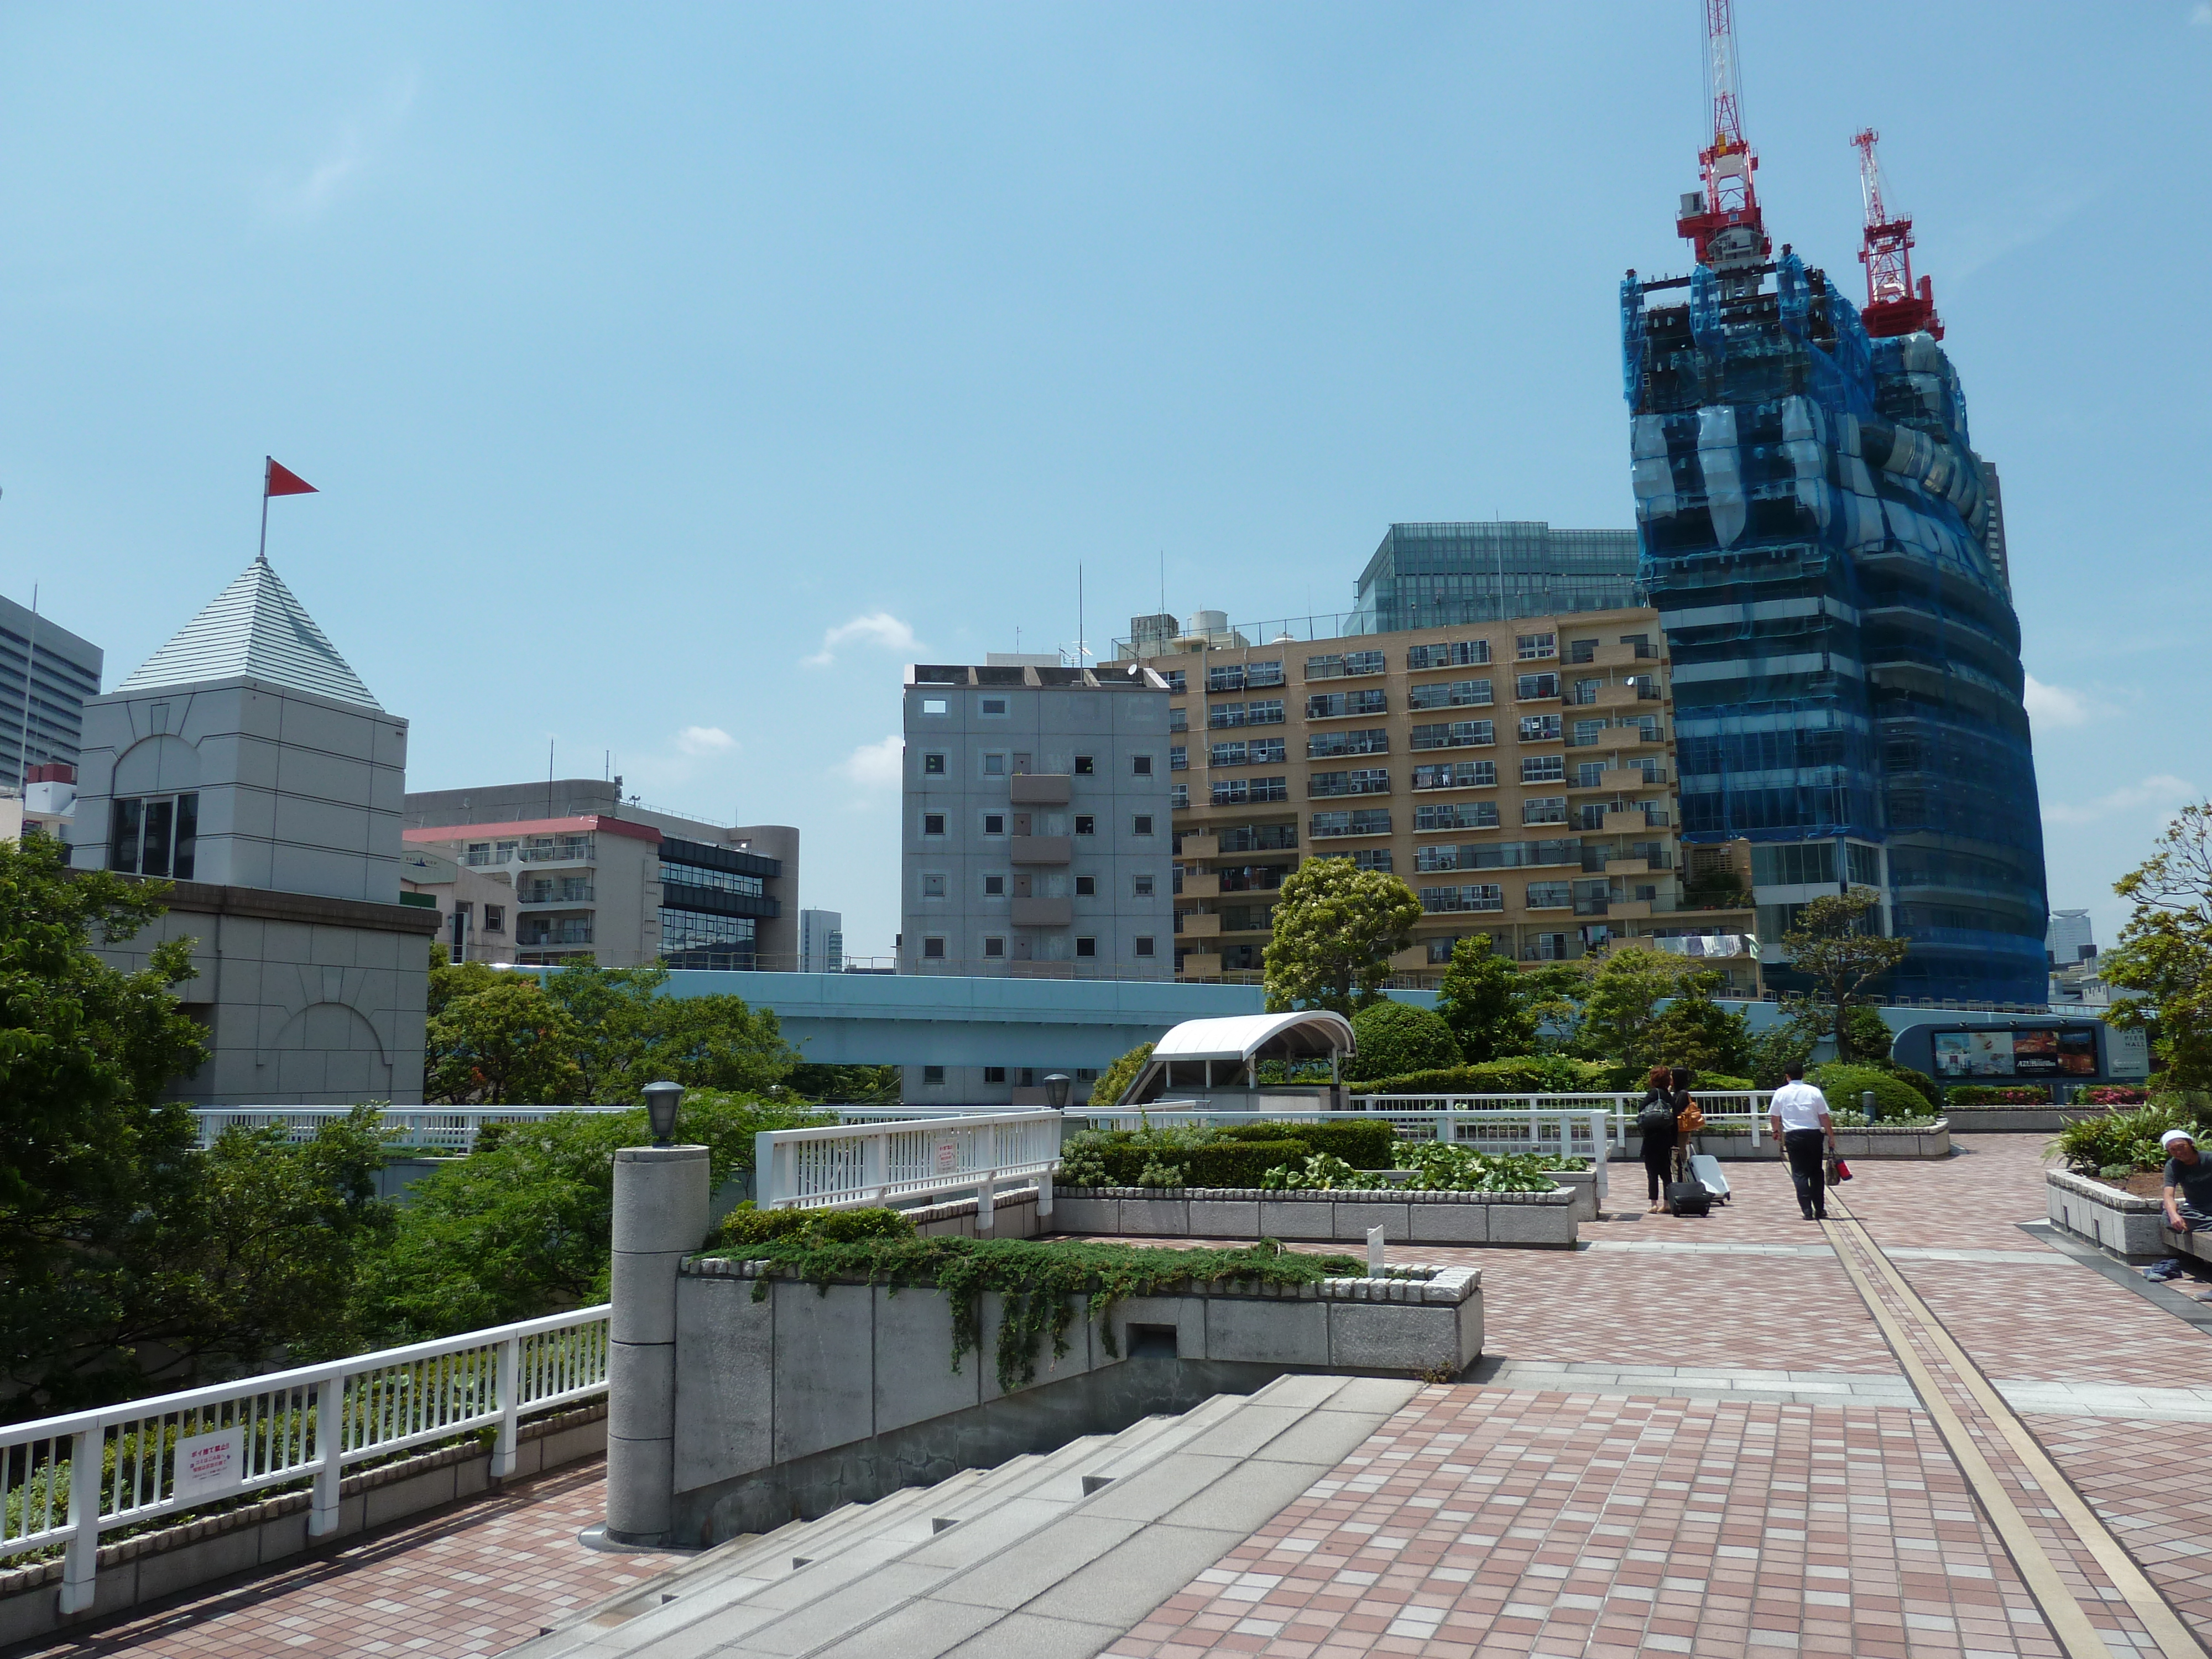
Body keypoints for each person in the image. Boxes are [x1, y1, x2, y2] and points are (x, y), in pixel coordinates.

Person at [1767, 1061, 1835, 1222]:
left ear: (1787, 1076)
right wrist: (1831, 1136)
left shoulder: (1781, 1093)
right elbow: (1824, 1116)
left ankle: (1807, 1211)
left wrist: (1775, 1131)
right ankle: (1820, 1209)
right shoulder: (1814, 1091)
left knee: (1799, 1173)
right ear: (1803, 1074)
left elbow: (1775, 1117)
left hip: (1793, 1136)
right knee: (1816, 1173)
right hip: (1813, 1134)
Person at [1634, 1065, 1677, 1213]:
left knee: (1652, 1173)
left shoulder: (1653, 1094)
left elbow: (1641, 1108)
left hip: (1651, 1138)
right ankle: (1667, 1204)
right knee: (1666, 1173)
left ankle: (1653, 1204)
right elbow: (1674, 1118)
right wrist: (1674, 1140)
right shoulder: (1668, 1096)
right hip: (1666, 1138)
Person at [2161, 1129, 2212, 1234]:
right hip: (2197, 1209)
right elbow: (2168, 1196)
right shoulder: (2173, 1166)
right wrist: (2174, 1216)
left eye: (2181, 1147)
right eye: (2173, 1150)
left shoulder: (2209, 1159)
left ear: (2190, 1144)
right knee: (2167, 1217)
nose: (2179, 1152)